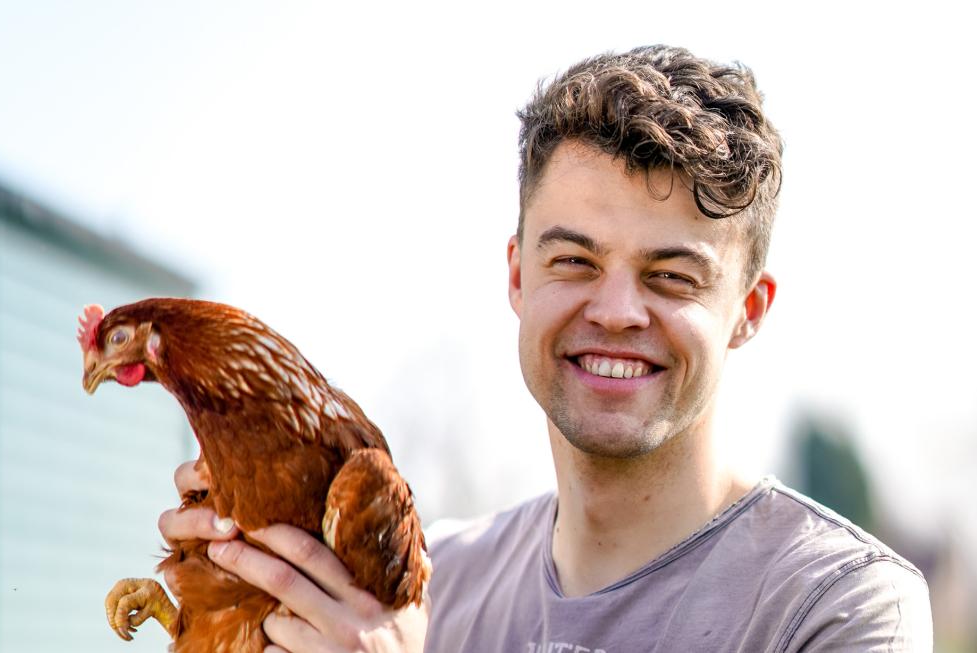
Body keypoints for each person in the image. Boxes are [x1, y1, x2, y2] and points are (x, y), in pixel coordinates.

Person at [158, 45, 933, 651]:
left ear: (747, 311)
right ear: (517, 276)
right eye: (574, 261)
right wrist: (234, 580)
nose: (618, 311)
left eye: (671, 276)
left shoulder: (836, 603)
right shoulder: (419, 582)